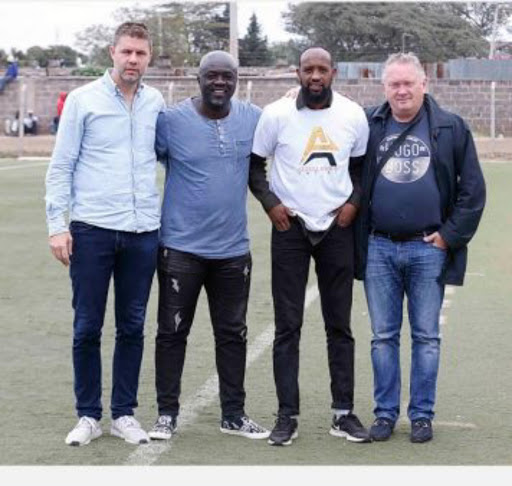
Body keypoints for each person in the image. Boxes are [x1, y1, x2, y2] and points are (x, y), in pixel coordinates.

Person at [355, 53, 486, 443]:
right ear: (384, 88)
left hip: (428, 248)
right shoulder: (368, 124)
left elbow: (472, 191)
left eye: (408, 83)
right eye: (394, 84)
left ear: (423, 83)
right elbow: (328, 118)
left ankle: (422, 415)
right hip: (379, 247)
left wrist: (449, 236)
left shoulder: (450, 127)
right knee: (383, 336)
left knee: (426, 336)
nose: (401, 90)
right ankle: (384, 414)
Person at [45, 22, 165, 447]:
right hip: (92, 230)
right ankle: (88, 414)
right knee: (86, 326)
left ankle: (124, 414)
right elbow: (61, 165)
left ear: (149, 57)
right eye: (127, 52)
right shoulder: (82, 101)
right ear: (112, 53)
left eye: (141, 53)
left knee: (133, 326)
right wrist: (57, 226)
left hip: (141, 232)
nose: (133, 60)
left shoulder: (155, 102)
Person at [249, 47, 371, 446]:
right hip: (291, 229)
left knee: (340, 325)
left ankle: (343, 413)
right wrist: (272, 206)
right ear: (297, 73)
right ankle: (287, 415)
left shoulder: (353, 115)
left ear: (333, 72)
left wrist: (353, 204)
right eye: (308, 69)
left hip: (337, 227)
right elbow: (255, 167)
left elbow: (361, 169)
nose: (315, 76)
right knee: (288, 326)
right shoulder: (276, 114)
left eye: (322, 69)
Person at [148, 51, 269, 441]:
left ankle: (233, 414)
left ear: (237, 79)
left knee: (233, 333)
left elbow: (268, 162)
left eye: (227, 76)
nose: (220, 83)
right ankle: (166, 413)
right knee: (172, 331)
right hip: (181, 249)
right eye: (212, 76)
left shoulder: (253, 117)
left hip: (233, 251)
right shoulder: (170, 121)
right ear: (198, 79)